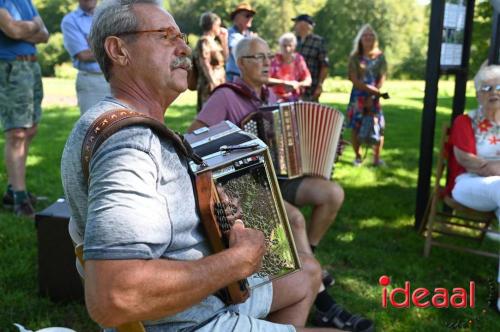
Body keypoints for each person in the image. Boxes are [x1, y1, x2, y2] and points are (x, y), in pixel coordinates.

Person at [61, 1, 342, 331]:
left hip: (203, 299)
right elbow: (113, 297)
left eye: (181, 36)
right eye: (166, 36)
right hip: (190, 321)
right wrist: (236, 261)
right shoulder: (131, 143)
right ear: (119, 50)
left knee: (307, 272)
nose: (183, 47)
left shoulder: (114, 125)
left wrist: (222, 218)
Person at [189, 36, 374, 332]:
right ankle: (323, 301)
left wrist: (324, 148)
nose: (266, 63)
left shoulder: (271, 97)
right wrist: (233, 153)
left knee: (332, 192)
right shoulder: (225, 96)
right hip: (243, 187)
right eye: (257, 58)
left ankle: (307, 260)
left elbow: (291, 139)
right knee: (296, 218)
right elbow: (193, 139)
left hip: (279, 176)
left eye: (268, 56)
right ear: (240, 63)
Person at [448, 64, 500, 314]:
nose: (494, 92)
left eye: (499, 86)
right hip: (466, 183)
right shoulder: (465, 121)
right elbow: (470, 161)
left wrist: (491, 165)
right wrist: (490, 166)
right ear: (478, 93)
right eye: (487, 87)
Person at [0, 0, 49, 217]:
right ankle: (20, 198)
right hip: (10, 68)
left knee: (30, 130)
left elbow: (45, 34)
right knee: (17, 133)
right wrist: (33, 25)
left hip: (31, 67)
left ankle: (12, 191)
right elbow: (11, 29)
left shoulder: (25, 1)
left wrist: (22, 31)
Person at [346, 24, 387, 167]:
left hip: (375, 96)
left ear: (374, 38)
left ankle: (377, 158)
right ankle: (358, 157)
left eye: (371, 35)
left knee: (378, 126)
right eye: (365, 35)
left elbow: (382, 76)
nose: (368, 37)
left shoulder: (380, 57)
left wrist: (374, 95)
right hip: (358, 96)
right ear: (360, 39)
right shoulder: (355, 57)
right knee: (356, 127)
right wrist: (372, 92)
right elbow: (353, 78)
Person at [61, 0, 111, 114]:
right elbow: (83, 55)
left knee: (123, 127)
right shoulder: (70, 20)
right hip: (92, 82)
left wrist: (94, 45)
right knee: (95, 127)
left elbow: (128, 45)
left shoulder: (110, 16)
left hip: (119, 79)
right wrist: (114, 46)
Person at [193, 11, 228, 112]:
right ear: (213, 25)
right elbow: (205, 64)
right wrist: (213, 84)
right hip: (209, 85)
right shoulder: (204, 41)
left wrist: (224, 40)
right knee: (210, 114)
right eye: (218, 24)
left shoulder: (215, 42)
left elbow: (226, 59)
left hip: (220, 82)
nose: (220, 27)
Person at [293, 14, 328, 102]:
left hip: (311, 90)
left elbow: (324, 65)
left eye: (296, 23)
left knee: (310, 114)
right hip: (293, 89)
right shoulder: (293, 41)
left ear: (303, 25)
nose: (295, 26)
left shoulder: (318, 42)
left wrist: (320, 86)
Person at [269, 32, 311, 102]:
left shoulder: (299, 59)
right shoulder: (274, 60)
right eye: (284, 46)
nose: (287, 49)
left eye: (290, 45)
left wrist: (297, 84)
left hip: (295, 99)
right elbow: (265, 79)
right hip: (276, 99)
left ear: (294, 46)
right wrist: (283, 83)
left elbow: (308, 80)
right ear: (280, 46)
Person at [225, 2, 255, 82]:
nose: (250, 18)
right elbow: (237, 51)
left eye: (251, 16)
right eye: (247, 15)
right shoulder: (230, 34)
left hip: (247, 77)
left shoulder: (248, 35)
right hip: (234, 76)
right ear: (236, 18)